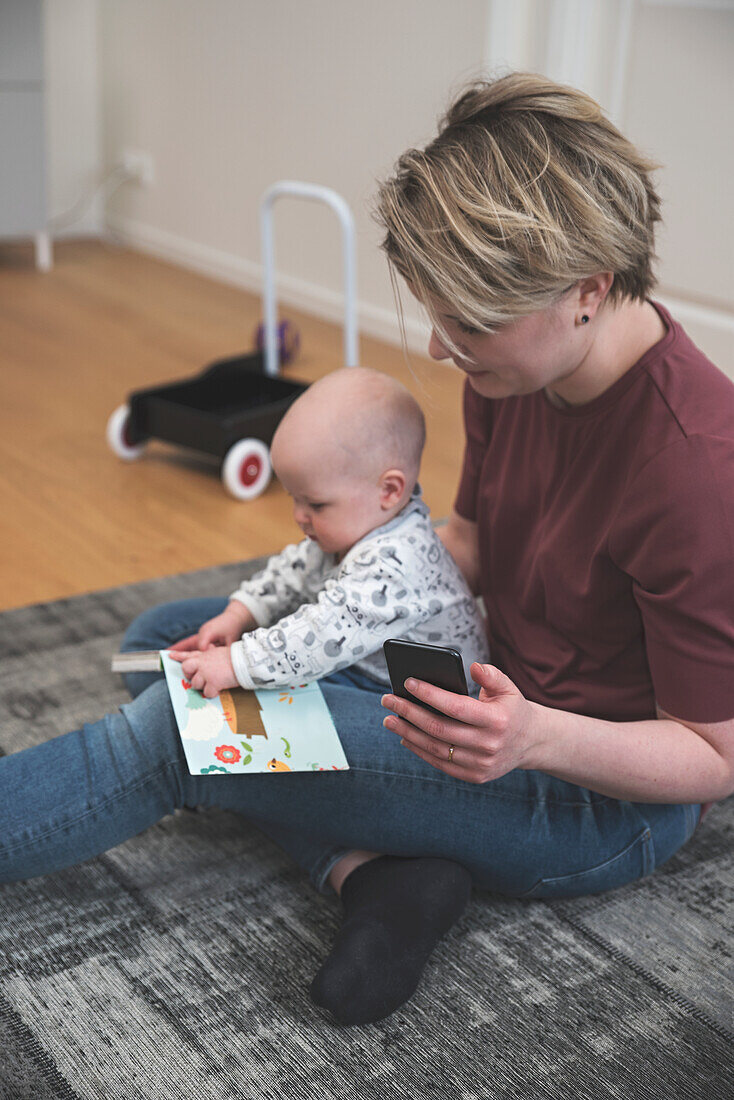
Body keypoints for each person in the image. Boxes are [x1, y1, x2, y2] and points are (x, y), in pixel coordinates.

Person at [3, 70, 733, 1029]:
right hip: (473, 684)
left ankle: (384, 843)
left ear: (588, 291)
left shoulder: (697, 468)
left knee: (192, 727)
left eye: (465, 322)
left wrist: (537, 737)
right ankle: (376, 869)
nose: (438, 347)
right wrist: (350, 589)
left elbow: (713, 757)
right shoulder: (513, 366)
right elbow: (466, 539)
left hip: (577, 793)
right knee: (168, 639)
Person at [164, 366, 489, 699]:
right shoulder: (357, 527)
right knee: (158, 637)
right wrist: (240, 614)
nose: (299, 517)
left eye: (316, 505)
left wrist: (236, 664)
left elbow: (322, 635)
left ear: (389, 490)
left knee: (252, 688)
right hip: (359, 660)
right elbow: (295, 570)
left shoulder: (396, 565)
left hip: (413, 707)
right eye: (294, 499)